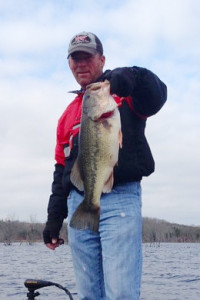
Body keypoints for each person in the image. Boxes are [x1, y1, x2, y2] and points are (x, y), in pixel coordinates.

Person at [43, 31, 167, 300]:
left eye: (87, 57)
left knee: (121, 293)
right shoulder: (67, 116)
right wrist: (54, 218)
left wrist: (132, 75)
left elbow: (157, 95)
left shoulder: (121, 93)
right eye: (75, 59)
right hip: (81, 201)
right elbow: (62, 169)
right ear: (69, 64)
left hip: (120, 198)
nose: (81, 64)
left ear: (102, 59)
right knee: (89, 294)